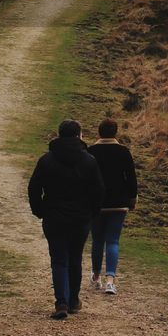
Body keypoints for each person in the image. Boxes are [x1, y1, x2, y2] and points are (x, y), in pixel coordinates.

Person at [28, 119, 104, 319]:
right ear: (79, 135)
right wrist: (93, 213)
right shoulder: (89, 161)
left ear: (59, 134)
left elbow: (34, 188)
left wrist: (40, 210)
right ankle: (72, 300)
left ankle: (61, 301)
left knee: (59, 259)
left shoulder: (47, 160)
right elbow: (98, 191)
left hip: (54, 216)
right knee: (75, 258)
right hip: (80, 218)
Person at [88, 120, 138, 296]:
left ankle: (95, 276)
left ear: (99, 133)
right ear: (116, 133)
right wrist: (132, 200)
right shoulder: (123, 152)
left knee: (97, 240)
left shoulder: (90, 151)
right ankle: (110, 280)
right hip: (119, 202)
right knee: (113, 241)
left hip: (96, 203)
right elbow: (131, 179)